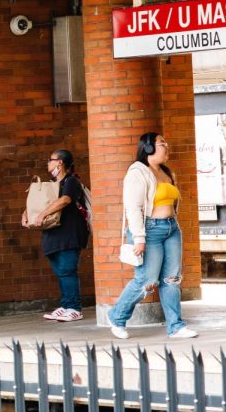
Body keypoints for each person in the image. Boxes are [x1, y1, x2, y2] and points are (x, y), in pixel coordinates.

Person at [107, 132, 197, 340]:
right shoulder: (137, 172)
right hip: (150, 230)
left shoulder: (166, 172)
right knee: (146, 279)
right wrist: (139, 237)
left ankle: (175, 326)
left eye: (166, 142)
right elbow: (133, 207)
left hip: (171, 228)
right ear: (148, 148)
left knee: (172, 279)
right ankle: (117, 316)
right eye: (161, 143)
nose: (167, 146)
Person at [22, 149, 88, 321]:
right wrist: (27, 214)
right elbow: (37, 202)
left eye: (50, 160)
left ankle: (74, 308)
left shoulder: (71, 181)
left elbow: (65, 200)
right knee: (60, 271)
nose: (47, 163)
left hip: (70, 233)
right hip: (53, 234)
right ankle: (66, 305)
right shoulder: (50, 185)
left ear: (60, 162)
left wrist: (42, 214)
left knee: (67, 270)